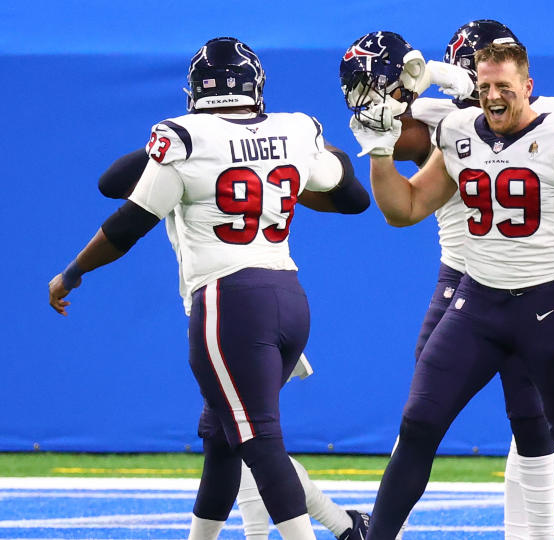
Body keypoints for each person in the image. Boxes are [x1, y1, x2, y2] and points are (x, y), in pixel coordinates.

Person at [48, 37, 365, 540]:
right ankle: (338, 526)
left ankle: (340, 529)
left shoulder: (184, 138)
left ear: (194, 90)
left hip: (229, 303)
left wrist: (74, 271)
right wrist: (306, 155)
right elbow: (353, 197)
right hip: (289, 298)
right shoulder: (295, 129)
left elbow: (126, 218)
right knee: (223, 440)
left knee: (258, 440)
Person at [349, 42, 554, 540]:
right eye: (484, 87)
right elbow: (406, 209)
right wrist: (379, 152)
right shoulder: (460, 133)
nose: (493, 97)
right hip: (476, 304)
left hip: (547, 306)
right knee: (417, 425)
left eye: (504, 86)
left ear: (527, 87)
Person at [96, 147, 370, 540]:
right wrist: (183, 139)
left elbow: (112, 190)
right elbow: (113, 184)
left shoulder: (215, 154)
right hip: (257, 305)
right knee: (231, 439)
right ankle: (346, 526)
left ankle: (341, 527)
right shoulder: (193, 156)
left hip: (232, 311)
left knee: (252, 439)